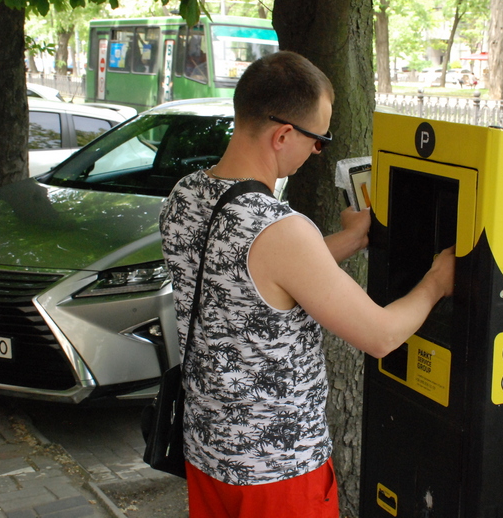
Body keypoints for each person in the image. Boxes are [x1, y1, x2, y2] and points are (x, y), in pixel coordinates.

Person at [159, 50, 455, 518]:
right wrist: (437, 281)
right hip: (278, 470)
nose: (319, 151)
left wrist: (353, 239)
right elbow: (381, 335)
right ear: (282, 135)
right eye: (318, 140)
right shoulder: (281, 229)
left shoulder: (186, 195)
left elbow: (254, 279)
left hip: (209, 450)